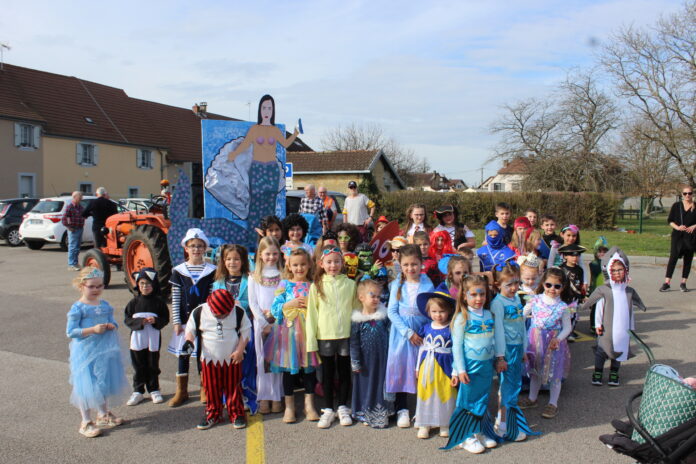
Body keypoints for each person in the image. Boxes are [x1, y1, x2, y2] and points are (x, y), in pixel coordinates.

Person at [66, 267, 128, 438]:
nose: (96, 290)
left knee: (102, 381)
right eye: (91, 287)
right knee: (86, 385)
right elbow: (71, 332)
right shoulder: (78, 308)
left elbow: (113, 321)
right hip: (85, 352)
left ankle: (103, 413)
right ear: (81, 286)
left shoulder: (104, 305)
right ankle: (85, 421)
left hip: (104, 349)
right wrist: (92, 329)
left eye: (99, 286)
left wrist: (111, 326)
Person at [226, 95, 300, 234]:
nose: (267, 111)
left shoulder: (274, 130)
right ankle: (253, 236)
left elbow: (285, 144)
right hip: (257, 169)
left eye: (269, 108)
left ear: (273, 111)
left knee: (269, 204)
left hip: (272, 170)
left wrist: (295, 133)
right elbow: (245, 144)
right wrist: (234, 154)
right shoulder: (255, 129)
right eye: (264, 108)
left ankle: (269, 234)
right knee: (255, 203)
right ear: (260, 110)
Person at [306, 245, 359, 429]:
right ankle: (328, 409)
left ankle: (343, 406)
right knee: (327, 373)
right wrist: (311, 340)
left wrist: (357, 335)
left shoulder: (351, 285)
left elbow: (356, 311)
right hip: (325, 335)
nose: (333, 265)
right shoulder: (317, 286)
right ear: (321, 264)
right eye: (329, 262)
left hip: (345, 334)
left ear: (342, 263)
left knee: (345, 371)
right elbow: (312, 314)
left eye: (337, 261)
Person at [443, 275, 498, 453]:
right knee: (467, 401)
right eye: (473, 294)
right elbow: (457, 347)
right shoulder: (462, 317)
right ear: (464, 296)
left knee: (482, 398)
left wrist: (499, 358)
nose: (478, 299)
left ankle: (479, 430)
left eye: (481, 294)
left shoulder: (489, 315)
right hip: (469, 367)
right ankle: (464, 436)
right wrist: (460, 370)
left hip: (486, 365)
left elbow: (493, 340)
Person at [184, 289, 251, 430]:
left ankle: (236, 413)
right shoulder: (199, 311)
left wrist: (240, 350)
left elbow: (246, 331)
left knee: (234, 387)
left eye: (225, 314)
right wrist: (189, 342)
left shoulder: (238, 311)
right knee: (211, 387)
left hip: (232, 358)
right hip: (209, 359)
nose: (222, 316)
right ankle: (213, 413)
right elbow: (191, 330)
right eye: (219, 314)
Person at [267, 248, 320, 423]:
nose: (299, 268)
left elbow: (320, 309)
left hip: (307, 333)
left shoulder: (313, 285)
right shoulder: (284, 284)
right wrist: (290, 303)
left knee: (308, 370)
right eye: (295, 265)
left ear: (309, 264)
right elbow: (275, 308)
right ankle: (289, 407)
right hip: (287, 334)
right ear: (289, 265)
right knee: (289, 371)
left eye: (303, 264)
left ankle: (309, 405)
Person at [167, 228, 217, 407]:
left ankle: (205, 387)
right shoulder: (179, 271)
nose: (196, 249)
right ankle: (182, 390)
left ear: (205, 248)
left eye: (199, 246)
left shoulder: (211, 270)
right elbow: (176, 297)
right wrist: (176, 321)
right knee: (184, 354)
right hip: (185, 321)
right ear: (186, 248)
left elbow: (212, 297)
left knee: (203, 354)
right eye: (192, 246)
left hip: (204, 321)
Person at [582, 247, 646, 387]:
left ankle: (614, 373)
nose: (617, 273)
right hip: (607, 328)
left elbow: (631, 311)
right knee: (602, 350)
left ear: (626, 271)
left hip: (623, 329)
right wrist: (598, 324)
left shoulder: (628, 292)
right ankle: (598, 372)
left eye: (620, 270)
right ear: (609, 272)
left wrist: (631, 327)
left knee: (619, 349)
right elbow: (599, 308)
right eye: (614, 270)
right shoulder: (605, 290)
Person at [386, 244, 434, 429]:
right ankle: (402, 409)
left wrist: (421, 332)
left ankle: (423, 410)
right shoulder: (398, 283)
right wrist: (408, 333)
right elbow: (392, 312)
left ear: (421, 264)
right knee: (401, 368)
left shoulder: (427, 283)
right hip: (402, 334)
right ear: (400, 264)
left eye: (414, 264)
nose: (410, 268)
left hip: (421, 334)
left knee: (422, 370)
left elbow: (430, 310)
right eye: (406, 264)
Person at [519, 268, 572, 419]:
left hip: (553, 343)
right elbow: (522, 315)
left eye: (557, 286)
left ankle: (553, 403)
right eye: (549, 285)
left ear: (563, 287)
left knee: (554, 372)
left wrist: (559, 338)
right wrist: (518, 331)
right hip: (535, 340)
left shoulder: (563, 307)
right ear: (543, 283)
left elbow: (567, 327)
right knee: (534, 370)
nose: (552, 289)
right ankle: (532, 398)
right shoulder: (535, 299)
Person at [491, 265, 536, 442]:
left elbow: (521, 325)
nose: (514, 287)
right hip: (506, 350)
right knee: (507, 387)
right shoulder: (498, 303)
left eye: (517, 283)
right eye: (509, 284)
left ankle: (508, 419)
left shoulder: (517, 299)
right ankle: (503, 424)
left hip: (517, 348)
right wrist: (500, 356)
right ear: (498, 284)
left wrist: (524, 348)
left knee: (514, 385)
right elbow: (498, 331)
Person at [212, 244, 257, 414]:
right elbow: (212, 306)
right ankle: (230, 396)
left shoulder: (250, 279)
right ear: (223, 261)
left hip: (245, 329)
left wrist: (240, 304)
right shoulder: (218, 283)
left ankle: (245, 395)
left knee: (245, 364)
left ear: (243, 261)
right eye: (229, 259)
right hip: (227, 330)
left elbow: (253, 302)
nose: (232, 262)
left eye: (236, 259)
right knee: (228, 365)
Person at [350, 279, 393, 428]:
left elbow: (390, 335)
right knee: (366, 386)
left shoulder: (384, 317)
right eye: (372, 296)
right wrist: (355, 361)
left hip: (382, 359)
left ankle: (382, 413)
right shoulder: (357, 320)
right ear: (361, 297)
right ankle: (364, 412)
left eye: (378, 296)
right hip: (365, 362)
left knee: (380, 385)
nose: (376, 299)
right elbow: (354, 343)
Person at [248, 236, 284, 414]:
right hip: (261, 325)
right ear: (260, 255)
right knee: (262, 361)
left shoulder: (283, 275)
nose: (271, 257)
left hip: (279, 323)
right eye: (267, 254)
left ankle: (276, 396)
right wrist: (263, 323)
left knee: (277, 360)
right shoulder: (254, 277)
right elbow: (253, 303)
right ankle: (263, 396)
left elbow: (285, 298)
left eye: (274, 253)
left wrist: (276, 317)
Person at [414, 291, 457, 440]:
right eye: (434, 311)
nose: (438, 315)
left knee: (445, 393)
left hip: (445, 367)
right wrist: (417, 368)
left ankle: (444, 423)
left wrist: (456, 371)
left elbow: (456, 350)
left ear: (449, 311)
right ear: (428, 311)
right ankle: (424, 423)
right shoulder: (426, 327)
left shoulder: (452, 328)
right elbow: (422, 348)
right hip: (428, 366)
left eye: (442, 311)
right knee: (427, 393)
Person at [124, 268, 169, 406]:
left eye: (148, 284)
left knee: (152, 363)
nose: (145, 287)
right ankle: (138, 391)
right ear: (138, 285)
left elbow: (165, 318)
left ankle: (154, 389)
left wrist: (156, 321)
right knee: (138, 363)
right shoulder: (133, 302)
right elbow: (127, 319)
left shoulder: (159, 302)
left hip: (153, 337)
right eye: (142, 283)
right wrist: (139, 322)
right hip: (137, 338)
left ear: (154, 285)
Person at [660, 185, 696, 292]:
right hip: (677, 236)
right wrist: (678, 227)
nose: (687, 195)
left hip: (691, 237)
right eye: (685, 193)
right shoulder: (676, 206)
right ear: (682, 195)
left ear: (692, 194)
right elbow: (670, 220)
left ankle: (683, 282)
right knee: (673, 258)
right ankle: (667, 282)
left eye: (689, 193)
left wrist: (694, 226)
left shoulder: (695, 206)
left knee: (688, 259)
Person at [62, 191, 85, 271]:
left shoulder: (80, 207)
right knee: (73, 247)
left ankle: (75, 262)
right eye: (80, 196)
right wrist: (69, 227)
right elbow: (64, 218)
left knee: (77, 247)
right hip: (73, 229)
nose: (82, 198)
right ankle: (71, 264)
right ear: (75, 197)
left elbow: (84, 214)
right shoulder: (70, 207)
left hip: (80, 228)